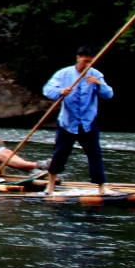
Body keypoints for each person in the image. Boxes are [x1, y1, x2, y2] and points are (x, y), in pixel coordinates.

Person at [42, 45, 115, 196]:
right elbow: (47, 89)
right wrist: (60, 91)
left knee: (94, 154)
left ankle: (101, 187)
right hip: (67, 122)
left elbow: (109, 94)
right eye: (84, 61)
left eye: (90, 62)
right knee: (60, 153)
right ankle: (50, 186)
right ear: (78, 58)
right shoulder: (64, 74)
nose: (87, 65)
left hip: (88, 122)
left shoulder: (95, 74)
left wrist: (98, 84)